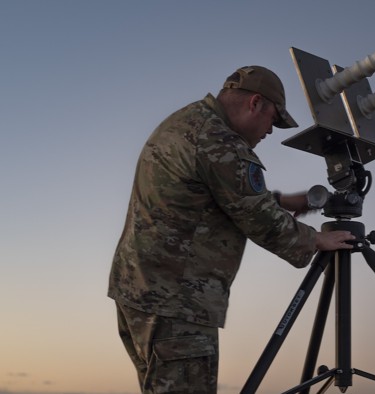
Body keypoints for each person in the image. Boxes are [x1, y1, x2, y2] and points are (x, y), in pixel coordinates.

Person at [108, 65, 355, 393]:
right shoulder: (220, 140)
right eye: (273, 120)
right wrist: (316, 239)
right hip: (177, 302)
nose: (270, 131)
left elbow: (214, 192)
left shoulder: (188, 122)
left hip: (141, 291)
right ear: (255, 103)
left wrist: (280, 200)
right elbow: (257, 217)